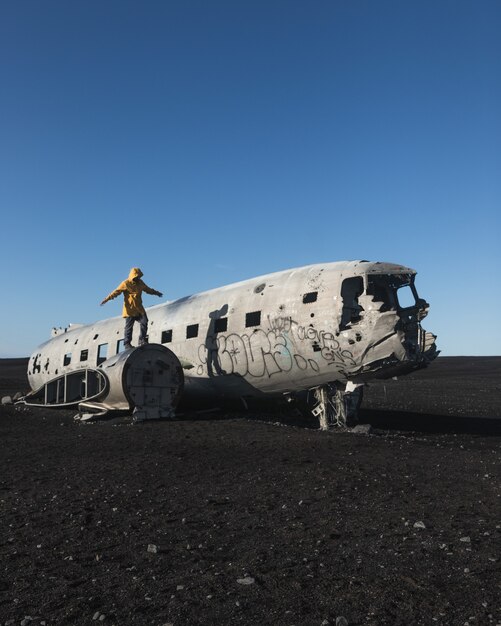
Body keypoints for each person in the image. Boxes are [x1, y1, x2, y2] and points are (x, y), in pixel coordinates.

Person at [100, 267, 163, 349]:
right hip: (129, 309)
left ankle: (142, 340)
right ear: (132, 276)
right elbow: (116, 292)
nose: (138, 278)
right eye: (136, 276)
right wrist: (106, 299)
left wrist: (156, 293)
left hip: (139, 308)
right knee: (129, 326)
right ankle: (127, 344)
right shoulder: (125, 283)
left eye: (138, 276)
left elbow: (148, 290)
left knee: (144, 322)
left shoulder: (140, 283)